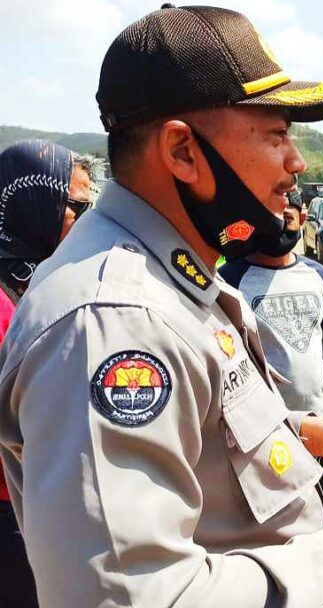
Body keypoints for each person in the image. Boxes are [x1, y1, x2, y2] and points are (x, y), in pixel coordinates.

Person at [0, 7, 323, 607]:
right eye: (276, 134)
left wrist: (303, 431)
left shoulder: (170, 272)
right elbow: (133, 596)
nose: (296, 163)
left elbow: (199, 427)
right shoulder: (113, 320)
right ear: (182, 151)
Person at [221, 194, 323, 525]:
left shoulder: (317, 274)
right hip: (268, 432)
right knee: (279, 522)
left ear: (303, 218)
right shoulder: (231, 278)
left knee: (322, 512)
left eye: (288, 218)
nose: (279, 226)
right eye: (270, 217)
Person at [0, 140, 95, 607]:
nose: (87, 220)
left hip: (44, 501)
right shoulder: (6, 302)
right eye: (77, 206)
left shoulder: (45, 281)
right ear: (34, 204)